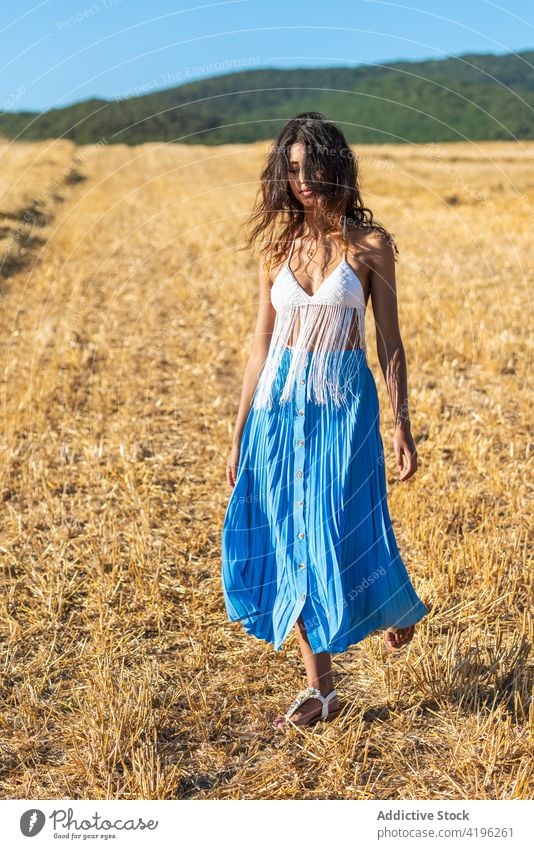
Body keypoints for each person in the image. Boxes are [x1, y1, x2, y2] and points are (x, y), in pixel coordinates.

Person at [221, 112, 430, 730]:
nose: (303, 181)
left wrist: (402, 425)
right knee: (292, 539)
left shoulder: (370, 245)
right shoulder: (275, 247)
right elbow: (260, 347)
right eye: (291, 170)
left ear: (335, 166)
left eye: (312, 167)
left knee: (341, 524)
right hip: (278, 412)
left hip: (344, 407)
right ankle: (321, 690)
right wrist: (239, 433)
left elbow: (389, 342)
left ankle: (395, 604)